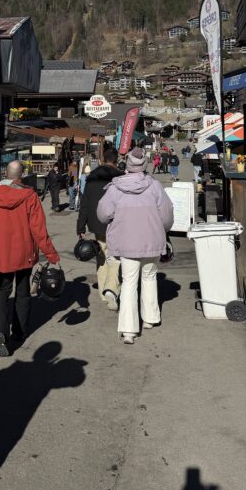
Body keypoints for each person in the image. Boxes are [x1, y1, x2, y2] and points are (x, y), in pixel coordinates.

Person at [0, 161, 60, 357]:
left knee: (0, 292)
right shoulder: (29, 196)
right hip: (24, 252)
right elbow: (38, 230)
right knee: (22, 292)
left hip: (1, 252)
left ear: (6, 174)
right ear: (21, 175)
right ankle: (20, 331)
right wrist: (51, 254)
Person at [97, 147, 174, 344]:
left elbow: (103, 214)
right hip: (152, 240)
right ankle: (150, 318)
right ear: (145, 165)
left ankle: (129, 330)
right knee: (149, 277)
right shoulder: (155, 186)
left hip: (126, 242)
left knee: (129, 282)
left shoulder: (115, 188)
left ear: (127, 165)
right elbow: (166, 216)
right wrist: (162, 229)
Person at [76, 148, 124, 311]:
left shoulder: (92, 177)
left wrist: (80, 226)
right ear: (116, 160)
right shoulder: (120, 176)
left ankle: (104, 292)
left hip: (96, 224)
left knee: (101, 256)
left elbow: (85, 203)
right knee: (115, 257)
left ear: (103, 159)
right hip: (115, 223)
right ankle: (112, 288)